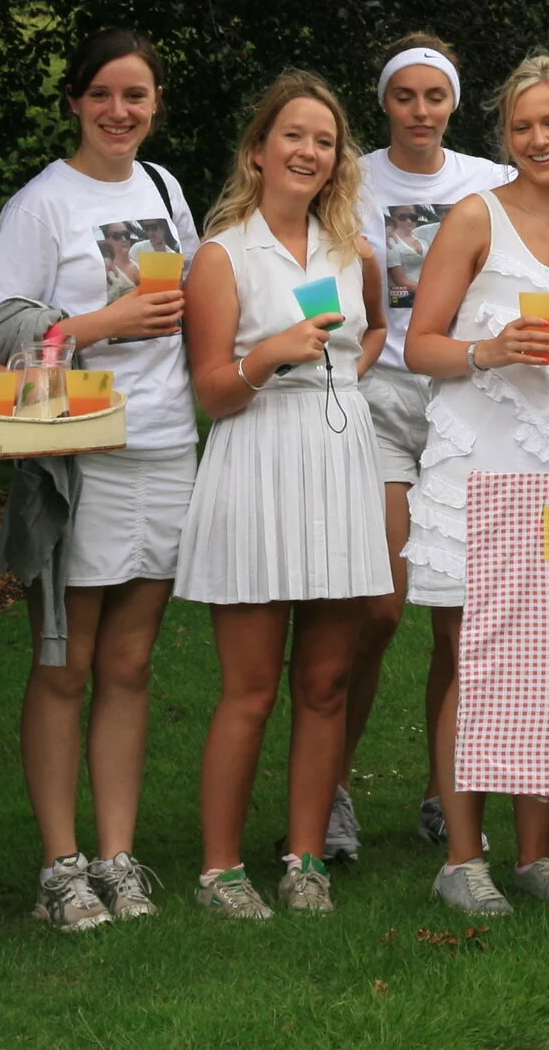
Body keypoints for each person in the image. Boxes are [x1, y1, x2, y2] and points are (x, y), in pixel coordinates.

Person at [0, 30, 201, 928]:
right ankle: (59, 866)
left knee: (130, 663)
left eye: (137, 96)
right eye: (104, 94)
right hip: (80, 458)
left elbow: (196, 303)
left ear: (155, 105)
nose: (121, 111)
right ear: (75, 99)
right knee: (63, 665)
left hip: (166, 446)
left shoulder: (163, 189)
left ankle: (118, 854)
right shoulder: (43, 203)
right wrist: (107, 320)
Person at [178, 71, 392, 919]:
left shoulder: (352, 251)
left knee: (327, 682)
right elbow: (213, 391)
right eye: (293, 136)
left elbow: (376, 326)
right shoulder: (223, 254)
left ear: (338, 160)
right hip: (257, 453)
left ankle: (305, 855)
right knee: (251, 686)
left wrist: (349, 368)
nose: (309, 151)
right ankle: (221, 868)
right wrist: (271, 354)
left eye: (325, 140)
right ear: (258, 150)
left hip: (339, 458)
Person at [399, 53, 549, 916]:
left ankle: (537, 855)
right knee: (473, 667)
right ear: (505, 138)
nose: (538, 138)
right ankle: (462, 854)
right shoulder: (475, 217)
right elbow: (419, 346)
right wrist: (489, 348)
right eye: (521, 126)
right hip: (475, 469)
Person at [337, 33, 514, 860]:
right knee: (377, 607)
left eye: (433, 96)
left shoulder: (487, 181)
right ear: (384, 102)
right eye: (404, 96)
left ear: (452, 101)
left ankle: (447, 789)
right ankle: (331, 785)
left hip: (461, 401)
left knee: (458, 622)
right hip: (377, 397)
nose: (420, 111)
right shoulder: (354, 177)